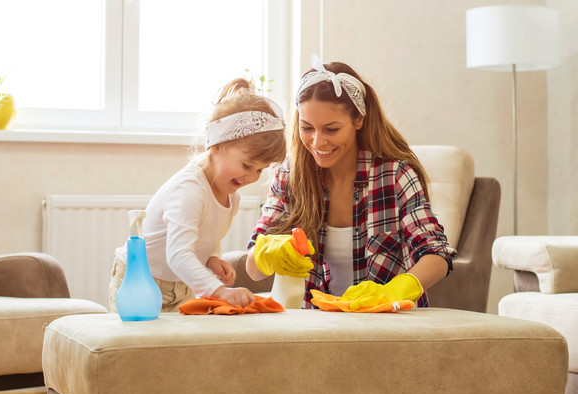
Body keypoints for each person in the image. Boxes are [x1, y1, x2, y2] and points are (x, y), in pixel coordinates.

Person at [245, 60, 456, 309]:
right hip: (314, 328)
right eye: (307, 128)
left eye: (331, 129)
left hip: (385, 325)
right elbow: (252, 269)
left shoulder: (394, 175)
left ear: (358, 119)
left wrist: (395, 291)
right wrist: (266, 252)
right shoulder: (290, 175)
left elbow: (437, 254)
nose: (317, 142)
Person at [141, 78, 287, 311]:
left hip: (181, 284)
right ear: (217, 145)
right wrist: (220, 291)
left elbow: (208, 233)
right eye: (247, 165)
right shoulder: (189, 190)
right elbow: (178, 254)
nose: (251, 177)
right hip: (143, 285)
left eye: (260, 169)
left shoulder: (231, 194)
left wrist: (212, 258)